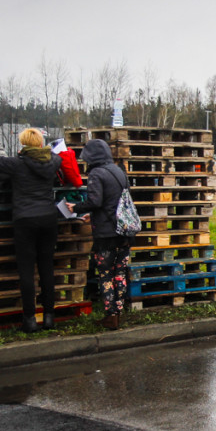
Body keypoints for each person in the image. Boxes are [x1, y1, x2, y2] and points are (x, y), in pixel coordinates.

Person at [0, 128, 62, 333]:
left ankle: (30, 319)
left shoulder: (17, 164)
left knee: (27, 270)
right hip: (48, 218)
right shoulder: (52, 161)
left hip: (25, 219)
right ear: (41, 142)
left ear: (24, 143)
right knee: (46, 267)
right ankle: (50, 317)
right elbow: (60, 158)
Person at [67, 139, 134, 331]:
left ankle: (110, 316)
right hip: (123, 230)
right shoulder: (119, 171)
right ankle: (119, 312)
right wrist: (94, 214)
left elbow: (95, 201)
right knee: (120, 273)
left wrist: (76, 208)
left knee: (105, 274)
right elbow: (116, 201)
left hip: (106, 234)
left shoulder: (96, 173)